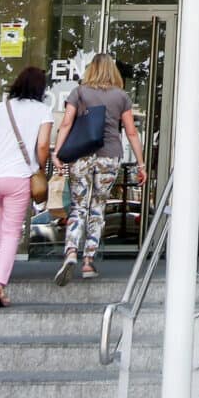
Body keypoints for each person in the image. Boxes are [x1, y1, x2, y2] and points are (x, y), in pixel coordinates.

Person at [50, 52, 145, 285]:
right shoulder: (121, 96)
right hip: (109, 155)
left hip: (81, 155)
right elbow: (131, 132)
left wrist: (57, 153)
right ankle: (88, 261)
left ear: (91, 69)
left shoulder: (79, 92)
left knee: (78, 206)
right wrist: (141, 163)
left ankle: (71, 251)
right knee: (98, 207)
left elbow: (66, 123)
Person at [0, 66, 54, 308]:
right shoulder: (43, 110)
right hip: (18, 177)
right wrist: (40, 166)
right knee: (12, 232)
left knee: (2, 211)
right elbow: (42, 146)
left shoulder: (2, 107)